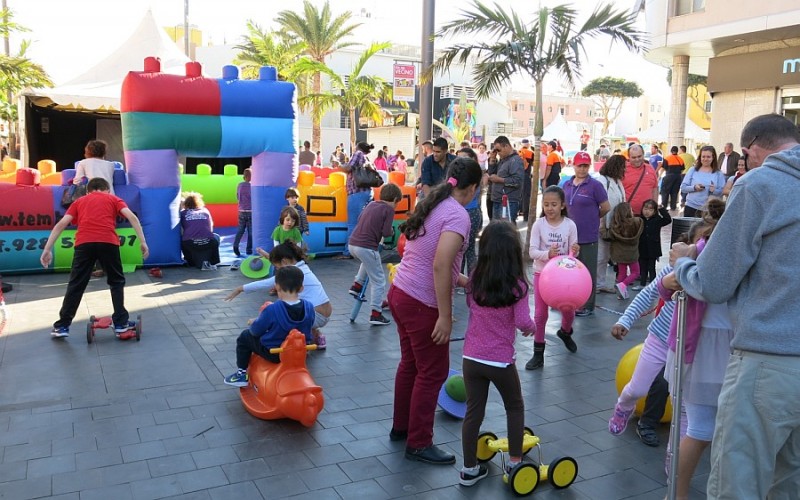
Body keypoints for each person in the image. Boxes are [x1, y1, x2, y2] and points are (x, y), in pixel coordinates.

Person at [665, 114, 800, 499]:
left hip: (767, 362)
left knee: (737, 484)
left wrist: (684, 263)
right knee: (789, 484)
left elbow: (714, 282)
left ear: (751, 148)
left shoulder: (760, 184)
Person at [387, 157, 482, 465]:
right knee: (434, 372)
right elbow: (440, 264)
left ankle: (402, 428)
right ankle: (419, 442)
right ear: (473, 188)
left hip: (400, 293)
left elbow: (437, 260)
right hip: (420, 302)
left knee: (412, 365)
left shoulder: (435, 203)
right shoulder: (458, 214)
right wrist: (445, 314)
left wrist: (465, 280)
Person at [659, 199, 731, 500]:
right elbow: (665, 285)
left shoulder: (700, 252)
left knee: (703, 428)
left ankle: (678, 493)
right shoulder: (708, 253)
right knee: (706, 428)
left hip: (707, 348)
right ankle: (678, 493)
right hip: (713, 349)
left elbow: (666, 284)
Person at [458, 220, 535, 486]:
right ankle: (515, 463)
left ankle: (469, 469)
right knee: (514, 406)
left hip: (471, 358)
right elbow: (523, 321)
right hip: (500, 361)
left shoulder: (477, 277)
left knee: (473, 412)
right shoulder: (517, 286)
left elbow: (470, 302)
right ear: (514, 252)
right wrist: (532, 328)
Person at [41, 177, 149, 337]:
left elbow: (61, 224)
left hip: (84, 244)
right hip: (108, 242)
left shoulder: (79, 201)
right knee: (116, 281)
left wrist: (47, 249)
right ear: (107, 189)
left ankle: (62, 326)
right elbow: (132, 217)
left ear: (87, 191)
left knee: (76, 283)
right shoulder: (114, 198)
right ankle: (120, 323)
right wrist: (143, 242)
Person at [225, 241, 332, 350]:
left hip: (316, 317)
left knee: (282, 312)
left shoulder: (292, 273)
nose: (277, 270)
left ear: (284, 262)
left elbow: (267, 283)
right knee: (296, 303)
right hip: (324, 314)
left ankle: (292, 342)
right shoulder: (302, 268)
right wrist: (267, 255)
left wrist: (240, 289)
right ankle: (317, 336)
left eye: (277, 267)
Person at [223, 266, 315, 387]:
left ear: (277, 287)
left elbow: (255, 331)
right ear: (301, 288)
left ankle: (241, 373)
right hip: (299, 353)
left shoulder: (272, 309)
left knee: (245, 336)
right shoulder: (309, 306)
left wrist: (254, 322)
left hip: (275, 353)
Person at [526, 186, 579, 369]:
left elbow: (572, 254)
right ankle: (538, 353)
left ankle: (565, 332)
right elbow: (532, 251)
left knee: (569, 311)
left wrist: (574, 251)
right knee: (540, 315)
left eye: (554, 204)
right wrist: (547, 254)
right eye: (546, 204)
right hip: (542, 274)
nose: (550, 208)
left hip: (563, 277)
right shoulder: (538, 224)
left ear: (562, 205)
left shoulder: (570, 225)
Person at [347, 183, 402, 326]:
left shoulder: (371, 204)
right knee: (378, 280)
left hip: (353, 244)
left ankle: (357, 285)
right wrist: (392, 232)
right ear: (395, 199)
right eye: (397, 203)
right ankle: (376, 313)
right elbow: (386, 232)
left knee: (367, 262)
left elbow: (360, 219)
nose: (396, 206)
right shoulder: (389, 210)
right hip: (367, 247)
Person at [564, 151, 610, 316]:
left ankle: (588, 305)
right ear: (573, 165)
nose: (582, 169)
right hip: (569, 236)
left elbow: (606, 207)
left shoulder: (595, 185)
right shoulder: (567, 184)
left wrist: (593, 218)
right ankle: (568, 300)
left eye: (585, 166)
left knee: (587, 271)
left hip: (587, 235)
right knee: (569, 270)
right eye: (579, 165)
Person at [336, 142, 374, 259]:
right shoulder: (366, 158)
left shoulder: (357, 153)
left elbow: (348, 168)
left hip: (356, 193)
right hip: (366, 193)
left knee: (352, 224)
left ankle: (348, 252)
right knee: (364, 224)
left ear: (357, 147)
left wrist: (339, 165)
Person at [596, 155, 627, 293]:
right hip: (603, 224)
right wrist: (601, 223)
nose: (624, 169)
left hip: (614, 225)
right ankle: (597, 284)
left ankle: (600, 283)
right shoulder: (602, 181)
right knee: (601, 256)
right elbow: (598, 203)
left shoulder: (618, 181)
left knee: (606, 255)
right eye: (623, 166)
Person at [601, 202, 643, 300]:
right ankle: (623, 285)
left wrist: (602, 228)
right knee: (636, 272)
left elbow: (606, 236)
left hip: (619, 255)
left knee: (622, 273)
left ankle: (621, 294)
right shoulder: (637, 222)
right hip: (632, 254)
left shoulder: (615, 227)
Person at [455, 148, 483, 275]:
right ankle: (465, 280)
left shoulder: (472, 174)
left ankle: (468, 280)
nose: (460, 161)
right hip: (469, 212)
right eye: (458, 158)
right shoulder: (475, 173)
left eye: (464, 158)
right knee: (462, 249)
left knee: (466, 249)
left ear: (472, 158)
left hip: (470, 212)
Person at [634, 199, 671, 290]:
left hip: (653, 248)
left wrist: (662, 209)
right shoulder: (639, 219)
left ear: (655, 211)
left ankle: (653, 285)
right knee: (642, 267)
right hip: (642, 247)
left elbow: (668, 219)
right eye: (645, 209)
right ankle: (642, 284)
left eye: (651, 210)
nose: (647, 212)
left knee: (652, 267)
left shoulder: (657, 220)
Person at [680, 145, 725, 218]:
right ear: (700, 157)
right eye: (703, 156)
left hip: (710, 211)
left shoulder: (718, 173)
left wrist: (714, 190)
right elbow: (683, 188)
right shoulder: (693, 170)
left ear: (713, 157)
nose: (705, 159)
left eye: (708, 157)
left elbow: (722, 191)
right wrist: (694, 187)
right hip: (691, 207)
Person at [488, 136, 524, 222]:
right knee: (497, 230)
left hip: (508, 201)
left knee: (507, 231)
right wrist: (492, 159)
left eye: (499, 150)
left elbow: (517, 182)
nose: (498, 153)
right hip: (497, 199)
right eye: (496, 150)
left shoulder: (515, 160)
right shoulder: (503, 160)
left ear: (507, 146)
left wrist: (499, 180)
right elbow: (492, 174)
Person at [180, 192, 220, 270]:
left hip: (191, 243)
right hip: (208, 242)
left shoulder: (183, 213)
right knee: (216, 237)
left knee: (182, 241)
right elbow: (210, 228)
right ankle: (215, 261)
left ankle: (189, 261)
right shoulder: (205, 211)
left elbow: (181, 230)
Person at [621, 144, 659, 216]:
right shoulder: (622, 170)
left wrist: (655, 208)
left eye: (639, 156)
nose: (637, 159)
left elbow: (655, 189)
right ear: (629, 157)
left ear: (643, 155)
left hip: (647, 215)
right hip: (628, 215)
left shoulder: (650, 169)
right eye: (634, 157)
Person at [233, 168, 252, 257]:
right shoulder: (252, 186)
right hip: (250, 211)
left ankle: (236, 245)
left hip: (241, 210)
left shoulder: (239, 185)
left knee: (240, 230)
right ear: (250, 176)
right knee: (250, 232)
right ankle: (249, 249)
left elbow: (237, 196)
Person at [659, 146, 685, 211]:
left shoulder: (667, 158)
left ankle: (664, 207)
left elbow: (663, 168)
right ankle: (673, 207)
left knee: (665, 191)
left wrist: (659, 176)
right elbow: (682, 170)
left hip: (669, 176)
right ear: (677, 151)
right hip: (678, 177)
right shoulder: (680, 159)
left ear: (671, 151)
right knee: (674, 192)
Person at [518, 139, 534, 220]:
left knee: (519, 194)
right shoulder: (531, 153)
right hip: (526, 175)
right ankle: (525, 215)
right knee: (526, 195)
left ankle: (519, 211)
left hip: (517, 175)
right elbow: (534, 164)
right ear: (528, 144)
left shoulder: (518, 152)